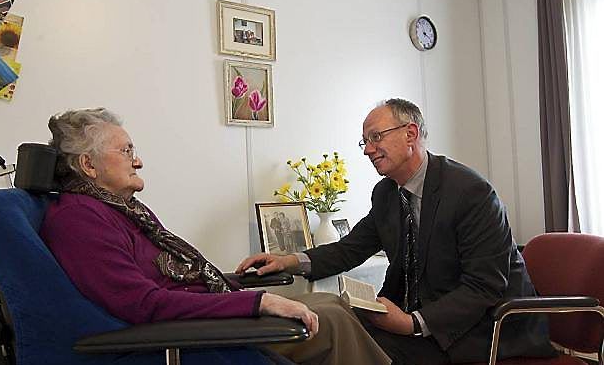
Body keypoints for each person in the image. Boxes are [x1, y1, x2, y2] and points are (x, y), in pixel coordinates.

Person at [40, 107, 390, 365]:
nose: (138, 161)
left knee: (331, 306)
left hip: (204, 317)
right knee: (330, 319)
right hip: (191, 336)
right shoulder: (80, 220)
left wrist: (248, 292)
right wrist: (259, 302)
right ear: (88, 165)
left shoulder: (121, 210)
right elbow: (144, 304)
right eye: (126, 151)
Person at [237, 98, 556, 364]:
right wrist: (289, 261)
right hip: (416, 318)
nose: (367, 149)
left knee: (335, 336)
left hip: (480, 331)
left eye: (376, 137)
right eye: (366, 141)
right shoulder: (387, 193)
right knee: (326, 308)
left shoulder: (470, 192)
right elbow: (351, 248)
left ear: (410, 134)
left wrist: (412, 323)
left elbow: (484, 287)